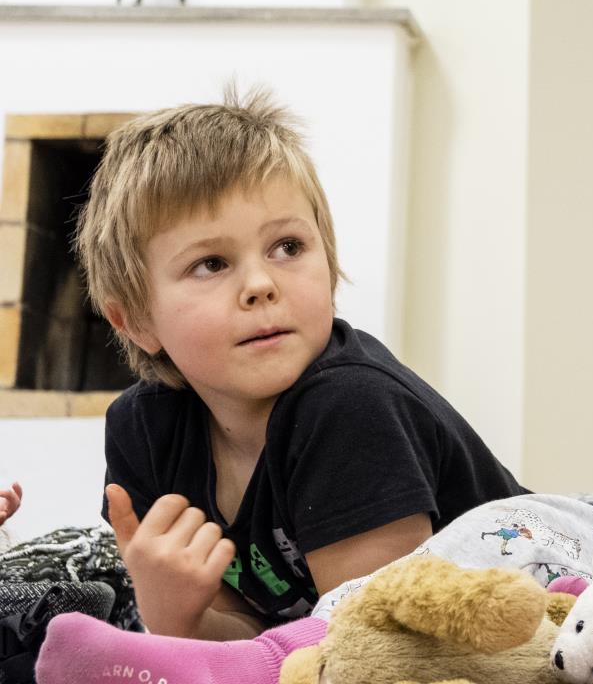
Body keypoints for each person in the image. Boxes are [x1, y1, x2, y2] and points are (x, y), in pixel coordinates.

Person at [75, 92, 526, 640]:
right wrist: (176, 613)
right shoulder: (144, 431)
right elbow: (253, 639)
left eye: (288, 247)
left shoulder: (349, 407)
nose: (262, 285)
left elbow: (372, 650)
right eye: (211, 263)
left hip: (567, 598)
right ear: (135, 323)